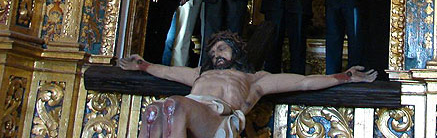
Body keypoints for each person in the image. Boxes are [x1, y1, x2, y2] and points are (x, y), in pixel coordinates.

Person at [118, 31, 376, 138]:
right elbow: (167, 72)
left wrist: (344, 76)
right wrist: (141, 65)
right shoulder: (199, 74)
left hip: (218, 121)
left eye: (222, 48)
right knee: (155, 111)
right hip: (189, 111)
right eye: (213, 51)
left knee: (175, 105)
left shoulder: (255, 79)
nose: (216, 54)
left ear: (236, 52)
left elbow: (305, 82)